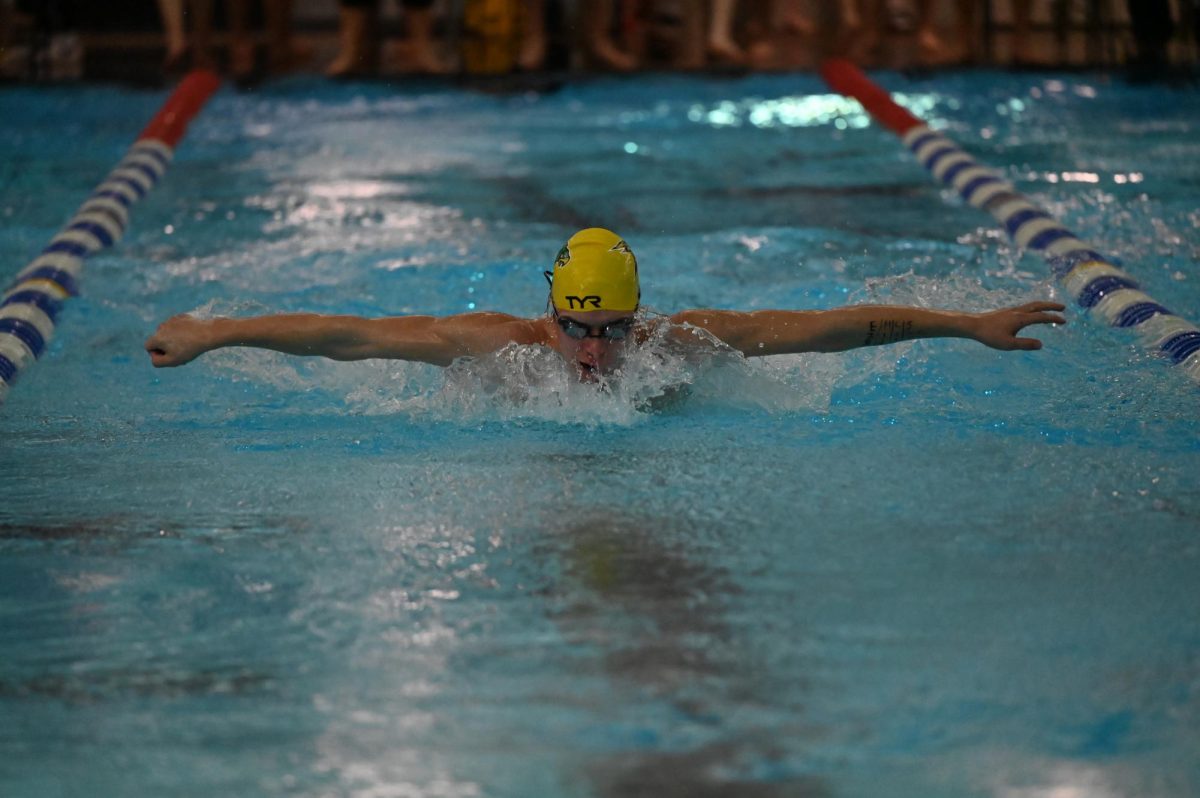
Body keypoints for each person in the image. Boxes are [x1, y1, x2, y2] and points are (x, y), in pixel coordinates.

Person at [145, 228, 1067, 382]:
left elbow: (833, 330)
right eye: (575, 329)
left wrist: (965, 325)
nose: (593, 354)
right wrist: (215, 334)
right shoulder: (496, 346)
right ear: (547, 315)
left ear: (640, 317)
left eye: (612, 331)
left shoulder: (685, 343)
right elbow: (348, 336)